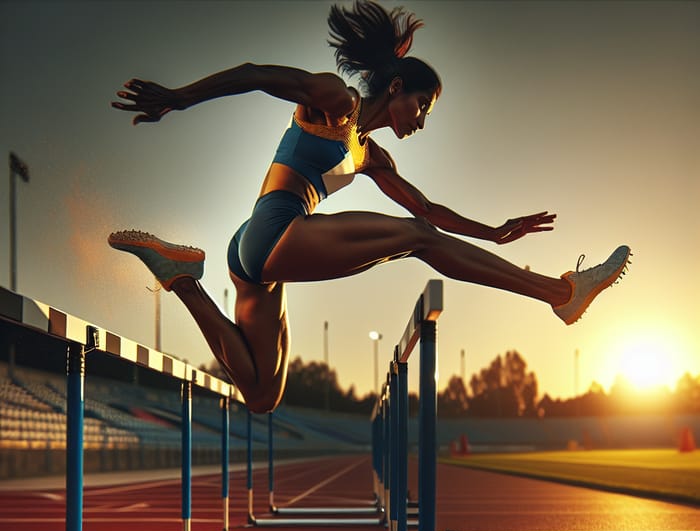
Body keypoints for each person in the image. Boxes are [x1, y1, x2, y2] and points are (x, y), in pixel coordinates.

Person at [110, 0, 630, 414]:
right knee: (415, 241)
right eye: (422, 106)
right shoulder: (337, 101)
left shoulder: (370, 156)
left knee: (263, 396)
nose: (421, 122)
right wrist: (177, 97)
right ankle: (560, 293)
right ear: (397, 87)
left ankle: (181, 279)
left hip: (256, 254)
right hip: (274, 231)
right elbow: (253, 73)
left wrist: (493, 232)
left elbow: (427, 209)